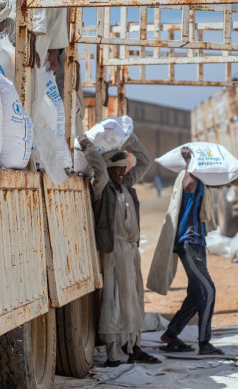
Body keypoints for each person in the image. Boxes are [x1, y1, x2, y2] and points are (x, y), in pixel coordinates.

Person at [77, 133, 159, 366]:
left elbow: (146, 162)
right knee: (113, 300)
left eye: (124, 169)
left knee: (135, 298)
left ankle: (135, 347)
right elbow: (100, 172)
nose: (122, 173)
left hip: (131, 251)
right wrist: (89, 148)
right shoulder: (102, 190)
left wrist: (130, 140)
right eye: (118, 169)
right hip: (112, 251)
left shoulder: (128, 187)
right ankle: (113, 352)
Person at [147, 147, 223, 355]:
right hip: (189, 242)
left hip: (197, 242)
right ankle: (204, 342)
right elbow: (189, 185)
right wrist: (189, 162)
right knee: (208, 290)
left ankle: (171, 334)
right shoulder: (190, 179)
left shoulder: (202, 181)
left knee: (197, 292)